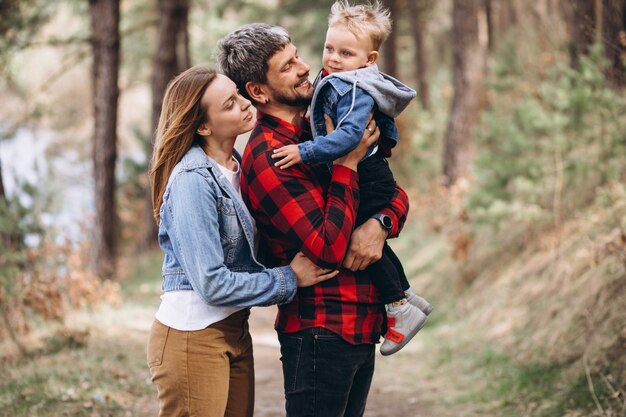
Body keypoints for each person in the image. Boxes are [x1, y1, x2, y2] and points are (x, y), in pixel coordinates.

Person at [217, 22, 409, 417]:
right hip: (320, 331)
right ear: (258, 92)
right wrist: (347, 164)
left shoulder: (321, 126)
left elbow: (392, 193)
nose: (306, 67)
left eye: (299, 55)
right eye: (287, 66)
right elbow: (327, 248)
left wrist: (380, 224)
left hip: (361, 323)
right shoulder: (271, 157)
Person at [146, 65, 342, 417]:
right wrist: (289, 278)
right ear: (203, 126)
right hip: (193, 335)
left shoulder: (237, 166)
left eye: (238, 95)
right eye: (229, 105)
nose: (245, 104)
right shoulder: (193, 180)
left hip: (233, 328)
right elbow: (211, 283)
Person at [271, 0, 432, 356]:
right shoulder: (336, 80)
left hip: (368, 175)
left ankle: (399, 305)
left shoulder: (354, 88)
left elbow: (348, 140)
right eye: (329, 48)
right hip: (366, 173)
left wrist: (305, 152)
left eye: (345, 52)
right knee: (366, 237)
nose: (332, 58)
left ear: (369, 60)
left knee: (358, 238)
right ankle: (405, 301)